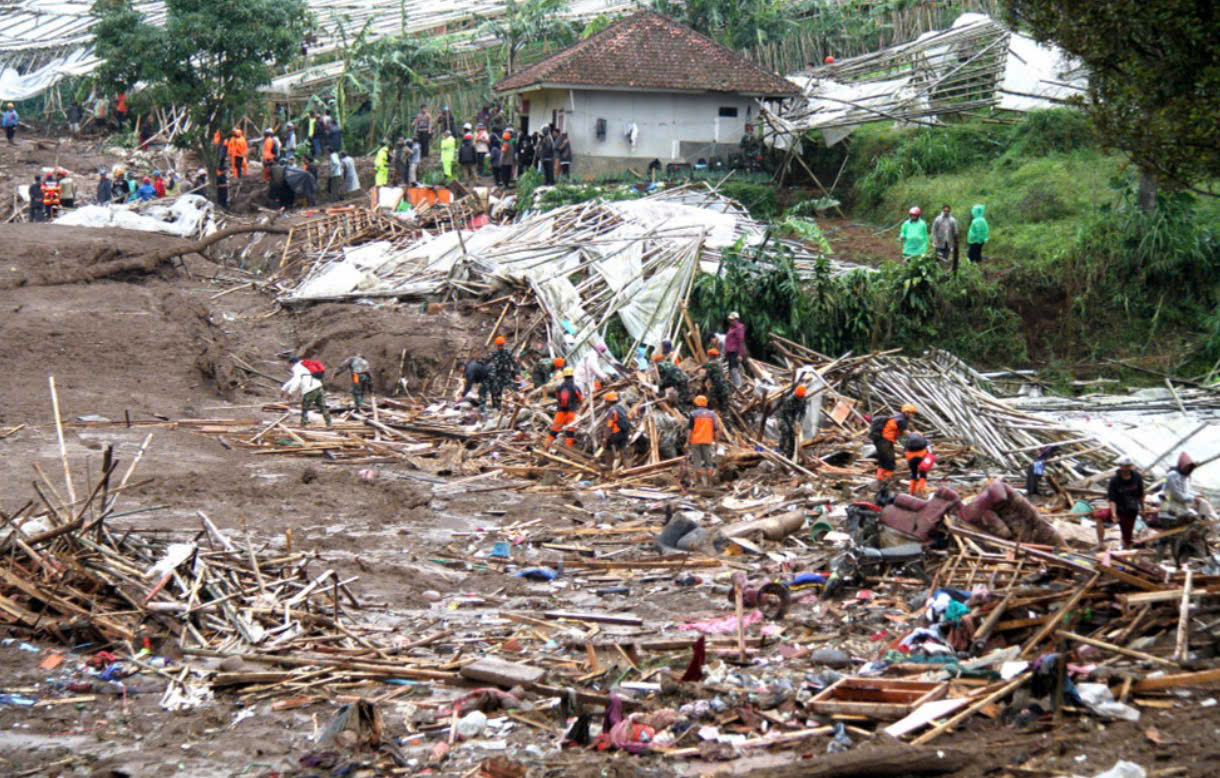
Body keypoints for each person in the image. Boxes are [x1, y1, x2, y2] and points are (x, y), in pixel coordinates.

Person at [869, 403, 916, 484]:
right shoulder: (902, 420)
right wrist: (917, 436)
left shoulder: (897, 416)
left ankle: (880, 479)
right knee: (889, 462)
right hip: (885, 441)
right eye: (911, 413)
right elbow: (906, 432)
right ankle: (885, 480)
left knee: (883, 460)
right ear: (906, 412)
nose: (912, 415)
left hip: (881, 440)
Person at [1104, 456, 1145, 549]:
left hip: (1132, 510)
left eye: (1129, 466)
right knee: (1099, 516)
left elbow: (1141, 494)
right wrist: (1114, 514)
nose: (1127, 468)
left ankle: (1126, 548)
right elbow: (1112, 499)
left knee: (1127, 534)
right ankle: (1101, 543)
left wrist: (1143, 509)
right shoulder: (1114, 480)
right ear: (1120, 466)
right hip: (1119, 509)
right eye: (1125, 466)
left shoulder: (1137, 477)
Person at [1162, 452, 1216, 520]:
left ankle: (1214, 523)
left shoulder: (1184, 477)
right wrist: (1194, 499)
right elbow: (1177, 494)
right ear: (1182, 465)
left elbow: (1188, 491)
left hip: (1179, 506)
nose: (1187, 469)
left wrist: (1198, 495)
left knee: (1205, 508)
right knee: (1200, 515)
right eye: (1186, 466)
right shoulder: (1172, 475)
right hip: (1169, 508)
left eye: (1189, 467)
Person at [281, 357, 332, 428]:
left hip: (310, 389)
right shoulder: (304, 366)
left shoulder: (297, 368)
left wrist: (290, 392)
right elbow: (293, 380)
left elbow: (296, 381)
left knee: (305, 407)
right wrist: (283, 389)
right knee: (322, 406)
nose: (289, 367)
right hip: (318, 386)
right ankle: (329, 423)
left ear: (292, 363)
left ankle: (303, 424)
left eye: (289, 365)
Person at [688, 396, 719, 487]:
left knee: (697, 463)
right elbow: (716, 430)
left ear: (696, 403)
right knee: (709, 463)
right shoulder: (712, 415)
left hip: (695, 441)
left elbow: (690, 429)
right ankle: (710, 483)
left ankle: (700, 483)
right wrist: (717, 442)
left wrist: (687, 441)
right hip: (707, 441)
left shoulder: (693, 414)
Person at [548, 367, 583, 448]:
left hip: (560, 412)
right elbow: (580, 399)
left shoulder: (559, 387)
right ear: (572, 376)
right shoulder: (575, 387)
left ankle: (546, 448)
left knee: (553, 431)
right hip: (571, 412)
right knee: (570, 433)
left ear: (563, 377)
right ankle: (569, 451)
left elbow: (557, 398)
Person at [600, 391, 633, 469]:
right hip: (625, 433)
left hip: (616, 434)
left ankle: (608, 465)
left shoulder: (611, 410)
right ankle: (628, 468)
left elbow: (609, 426)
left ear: (608, 401)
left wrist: (605, 438)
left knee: (607, 445)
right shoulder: (621, 408)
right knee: (623, 448)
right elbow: (630, 418)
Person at [777, 385, 808, 460]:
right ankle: (780, 449)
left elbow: (803, 412)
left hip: (792, 418)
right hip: (783, 418)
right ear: (796, 394)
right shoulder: (790, 400)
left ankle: (790, 453)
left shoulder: (803, 399)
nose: (800, 398)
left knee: (793, 435)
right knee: (786, 430)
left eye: (801, 397)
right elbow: (788, 415)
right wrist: (793, 427)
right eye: (799, 397)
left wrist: (800, 422)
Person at [488, 335, 518, 410]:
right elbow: (488, 363)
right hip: (497, 375)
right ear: (497, 346)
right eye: (499, 346)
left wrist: (517, 371)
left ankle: (518, 404)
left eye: (501, 345)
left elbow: (513, 362)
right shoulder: (494, 354)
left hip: (506, 374)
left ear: (503, 345)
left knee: (514, 388)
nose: (500, 347)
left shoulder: (508, 352)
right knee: (497, 391)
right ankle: (496, 407)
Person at [724, 311, 747, 387]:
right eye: (730, 320)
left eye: (732, 320)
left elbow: (741, 341)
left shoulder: (739, 328)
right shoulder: (731, 328)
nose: (731, 321)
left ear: (736, 319)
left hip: (735, 352)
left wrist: (740, 354)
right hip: (730, 352)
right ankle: (736, 385)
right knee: (731, 370)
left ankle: (739, 386)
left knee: (734, 369)